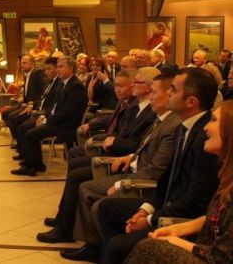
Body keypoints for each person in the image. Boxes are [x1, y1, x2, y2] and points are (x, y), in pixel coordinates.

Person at [97, 68, 220, 263]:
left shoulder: (205, 139)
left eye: (174, 89)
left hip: (182, 218)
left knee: (117, 245)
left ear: (191, 102)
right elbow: (166, 180)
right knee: (107, 208)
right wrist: (145, 210)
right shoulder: (183, 127)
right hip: (167, 205)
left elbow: (194, 202)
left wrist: (149, 220)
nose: (168, 92)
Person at [59, 72, 181, 262]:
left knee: (92, 194)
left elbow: (156, 170)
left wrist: (121, 183)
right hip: (131, 166)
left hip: (141, 181)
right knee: (82, 179)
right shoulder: (160, 119)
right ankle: (90, 242)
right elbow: (142, 147)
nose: (150, 97)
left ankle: (98, 247)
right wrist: (130, 157)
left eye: (154, 92)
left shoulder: (171, 125)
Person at [125, 100, 233, 263]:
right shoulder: (227, 176)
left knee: (148, 247)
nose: (206, 127)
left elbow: (222, 257)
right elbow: (213, 217)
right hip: (203, 245)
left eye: (214, 120)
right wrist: (176, 229)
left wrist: (175, 241)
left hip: (213, 256)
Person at [11, 56, 87, 177]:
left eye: (61, 67)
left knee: (31, 134)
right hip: (57, 120)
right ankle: (33, 163)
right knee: (27, 129)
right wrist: (44, 116)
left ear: (70, 68)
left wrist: (46, 120)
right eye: (58, 67)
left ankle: (33, 166)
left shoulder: (75, 86)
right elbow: (53, 106)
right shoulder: (63, 83)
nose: (58, 69)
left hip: (66, 125)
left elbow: (67, 113)